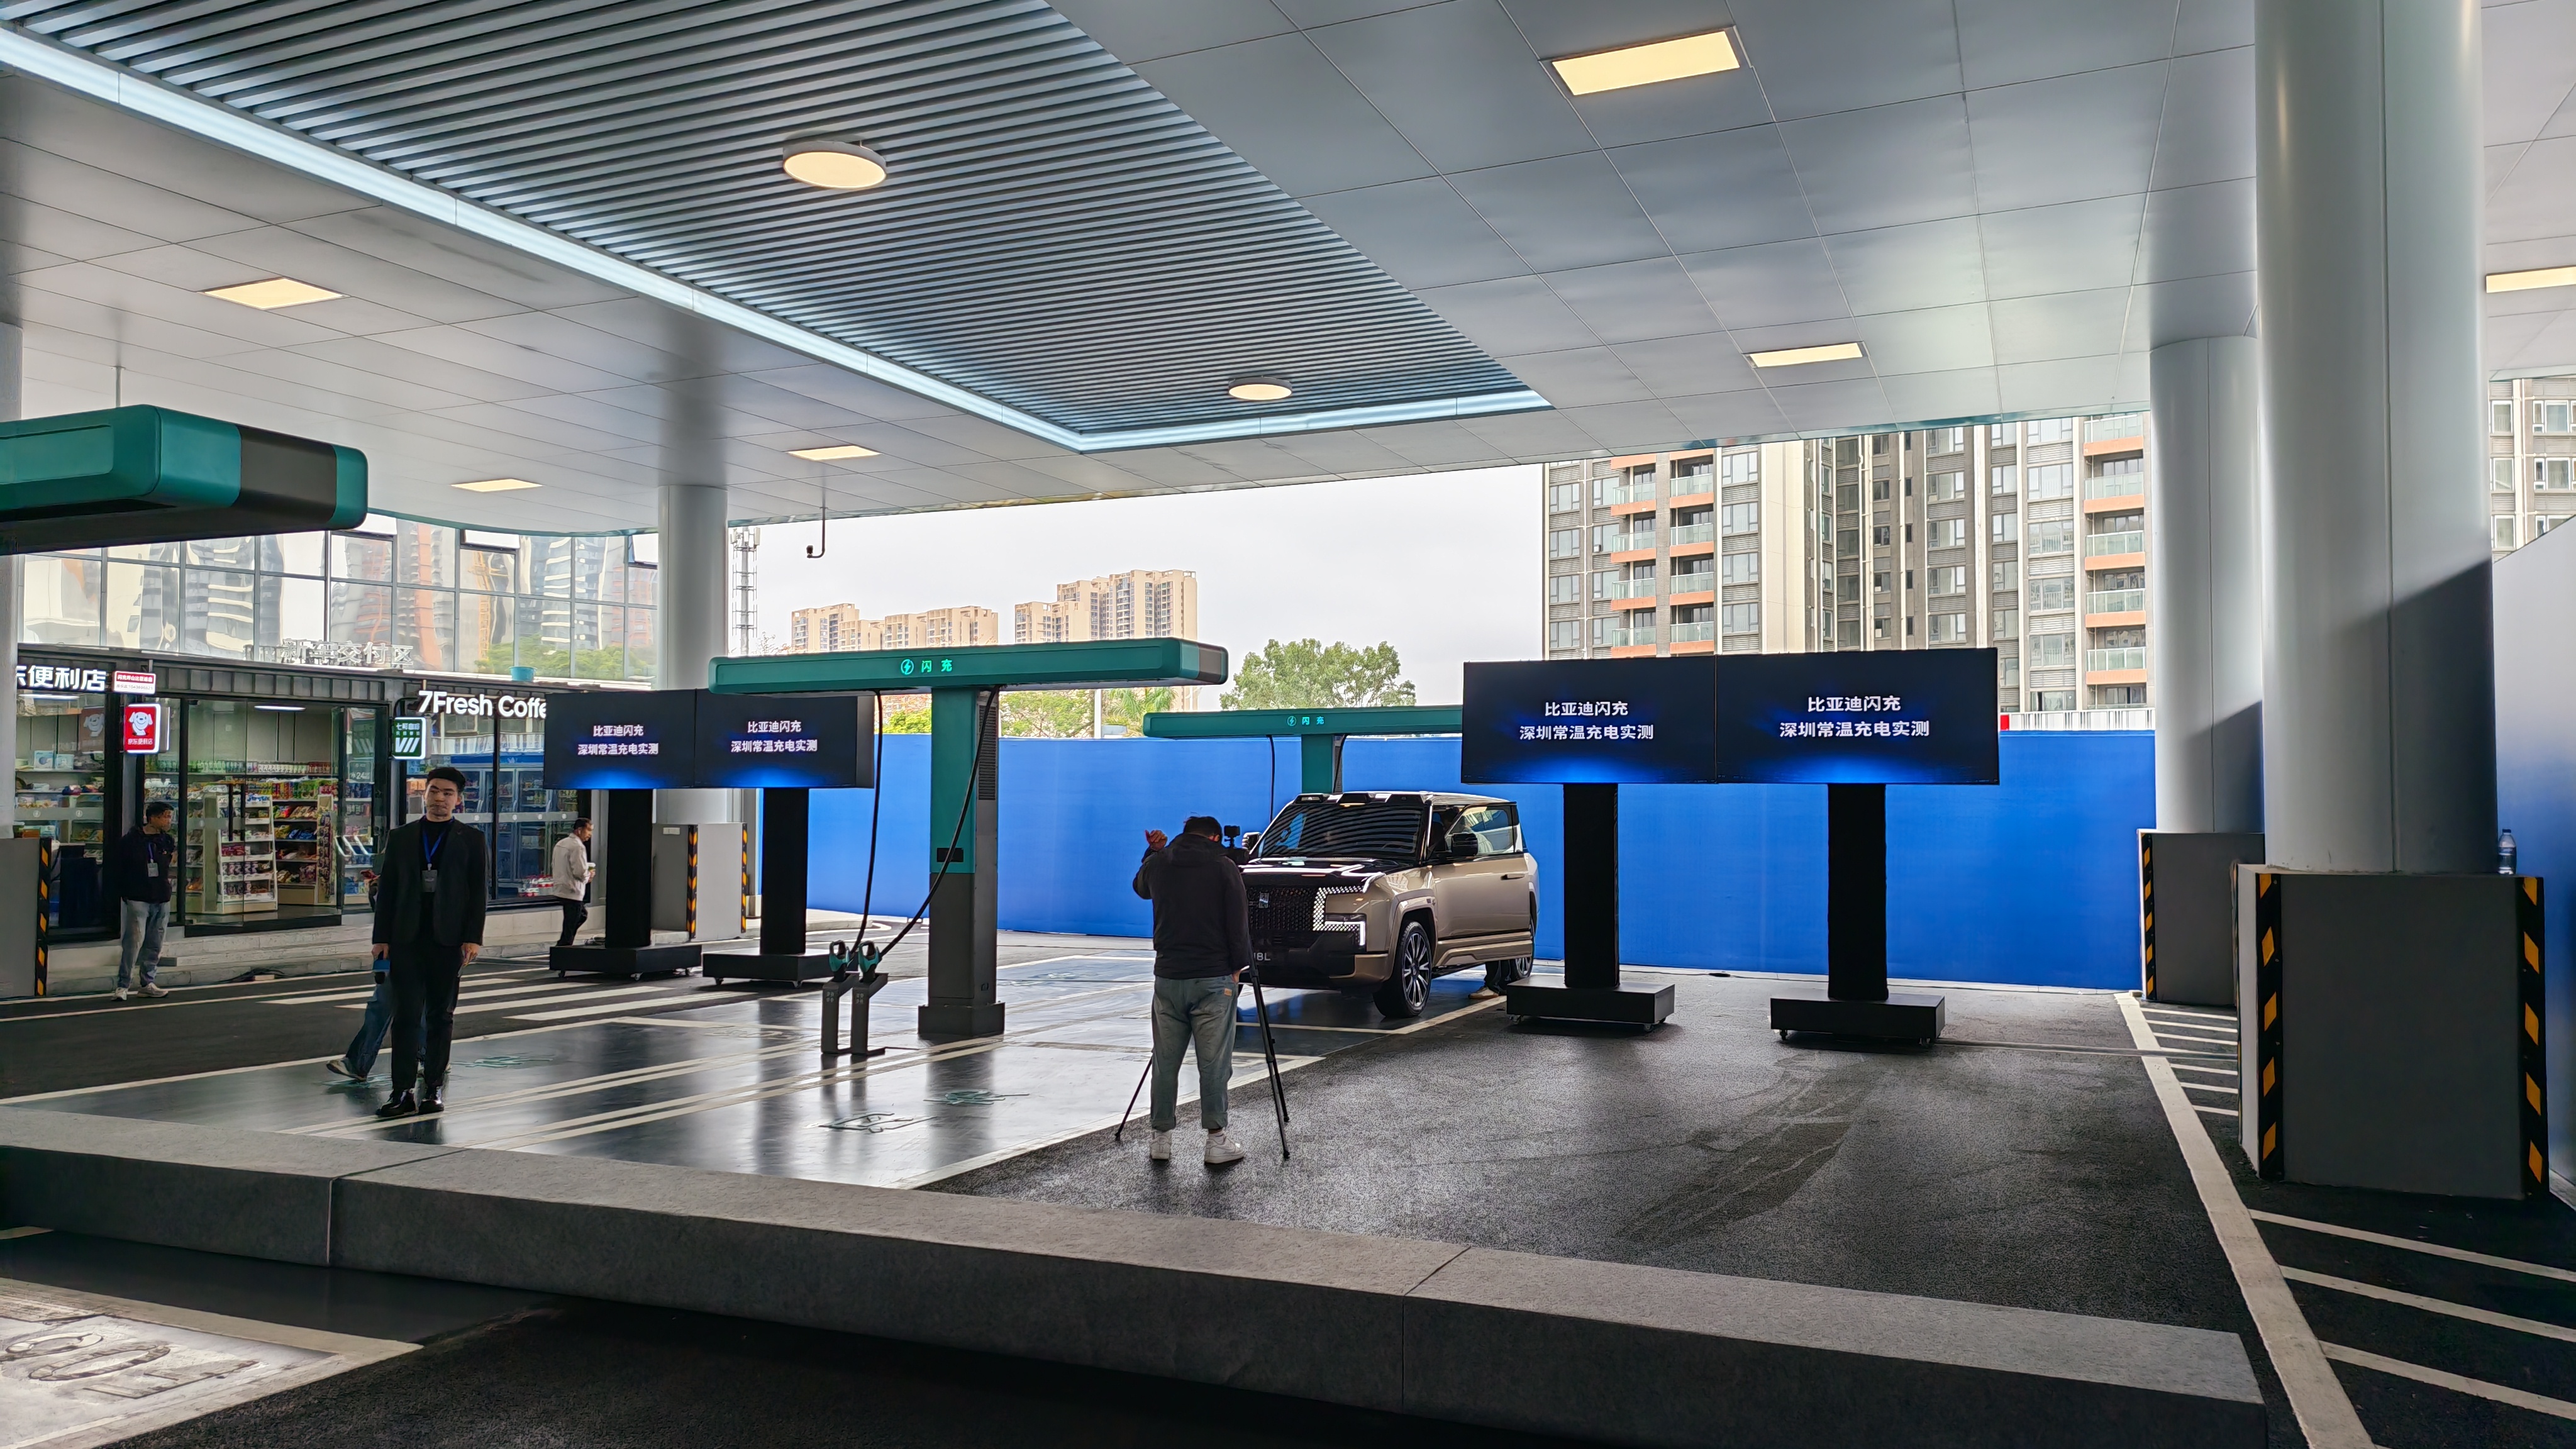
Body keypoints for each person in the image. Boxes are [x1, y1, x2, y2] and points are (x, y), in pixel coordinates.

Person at [1131, 814, 1251, 1166]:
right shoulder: (1223, 867)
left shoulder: (1160, 863)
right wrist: (1237, 968)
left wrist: (1153, 852)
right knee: (1213, 1063)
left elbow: (1141, 888)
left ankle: (1160, 1139)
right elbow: (1238, 922)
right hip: (1213, 978)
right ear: (1215, 838)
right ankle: (1216, 1141)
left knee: (1165, 1061)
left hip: (1168, 977)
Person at [372, 767, 487, 1119]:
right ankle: (402, 1091)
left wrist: (473, 938)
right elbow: (388, 890)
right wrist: (381, 938)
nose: (440, 798)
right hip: (406, 938)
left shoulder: (471, 839)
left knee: (440, 1016)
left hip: (448, 941)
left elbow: (478, 892)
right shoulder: (402, 837)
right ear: (424, 795)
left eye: (447, 793)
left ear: (458, 799)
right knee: (406, 1016)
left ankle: (433, 1088)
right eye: (434, 791)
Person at [108, 801, 177, 1001]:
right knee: (134, 942)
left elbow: (169, 862)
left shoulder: (167, 840)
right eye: (165, 816)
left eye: (170, 817)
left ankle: (148, 982)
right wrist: (124, 893)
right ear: (152, 818)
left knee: (155, 942)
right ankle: (123, 985)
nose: (169, 821)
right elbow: (118, 868)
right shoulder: (131, 841)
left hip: (161, 896)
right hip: (138, 896)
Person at [549, 817, 594, 947]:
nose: (590, 834)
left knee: (580, 916)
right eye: (589, 830)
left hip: (561, 887)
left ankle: (563, 945)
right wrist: (589, 876)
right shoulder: (578, 847)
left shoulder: (561, 843)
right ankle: (563, 947)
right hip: (573, 890)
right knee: (572, 921)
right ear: (579, 830)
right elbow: (580, 872)